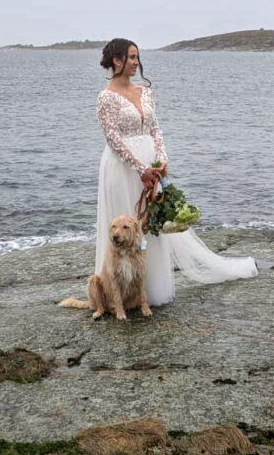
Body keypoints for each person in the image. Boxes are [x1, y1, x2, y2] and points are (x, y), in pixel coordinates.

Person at [95, 38, 257, 306]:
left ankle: (150, 290)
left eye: (137, 57)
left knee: (152, 225)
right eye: (132, 57)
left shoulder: (145, 92)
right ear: (117, 60)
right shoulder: (106, 97)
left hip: (151, 163)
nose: (136, 62)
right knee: (126, 225)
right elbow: (113, 138)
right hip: (123, 168)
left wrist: (161, 159)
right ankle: (119, 294)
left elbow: (155, 129)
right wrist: (140, 169)